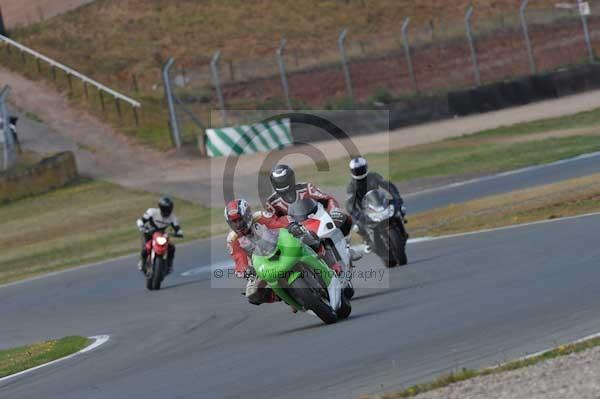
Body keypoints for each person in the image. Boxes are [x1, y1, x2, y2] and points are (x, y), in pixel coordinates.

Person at [225, 199, 291, 305]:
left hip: (281, 249)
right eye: (234, 222)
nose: (237, 224)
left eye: (239, 219)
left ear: (247, 215)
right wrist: (245, 271)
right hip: (262, 266)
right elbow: (239, 260)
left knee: (303, 236)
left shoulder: (260, 217)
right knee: (252, 295)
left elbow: (279, 225)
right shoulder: (232, 239)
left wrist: (291, 228)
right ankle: (282, 296)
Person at [266, 164, 352, 236]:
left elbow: (327, 199)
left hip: (316, 221)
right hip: (294, 234)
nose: (282, 185)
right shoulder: (272, 203)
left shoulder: (306, 188)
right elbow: (273, 224)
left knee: (344, 218)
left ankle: (346, 244)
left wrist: (333, 211)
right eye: (279, 183)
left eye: (284, 182)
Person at [345, 156, 405, 252]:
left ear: (365, 167)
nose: (359, 171)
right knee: (357, 226)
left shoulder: (373, 176)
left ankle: (401, 226)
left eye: (361, 169)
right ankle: (367, 241)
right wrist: (356, 214)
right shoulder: (351, 185)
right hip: (365, 209)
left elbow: (387, 185)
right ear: (352, 171)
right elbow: (349, 203)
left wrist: (396, 196)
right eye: (357, 170)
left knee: (400, 209)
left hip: (380, 202)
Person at [136, 196, 183, 273]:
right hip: (149, 232)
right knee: (145, 248)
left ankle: (169, 265)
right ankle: (142, 261)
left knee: (172, 247)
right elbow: (141, 220)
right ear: (161, 208)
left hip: (162, 235)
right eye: (166, 209)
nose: (167, 211)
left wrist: (179, 233)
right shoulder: (152, 212)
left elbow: (177, 228)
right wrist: (141, 226)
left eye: (169, 209)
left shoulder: (173, 217)